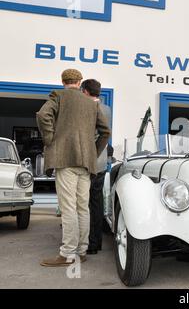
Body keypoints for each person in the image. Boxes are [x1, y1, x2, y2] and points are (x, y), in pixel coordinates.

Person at [37, 69, 111, 267]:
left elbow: (43, 115)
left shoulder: (58, 96)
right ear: (79, 82)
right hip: (86, 163)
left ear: (63, 81)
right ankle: (81, 250)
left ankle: (68, 253)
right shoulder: (92, 104)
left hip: (66, 161)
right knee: (82, 207)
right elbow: (105, 132)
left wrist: (50, 140)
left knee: (68, 207)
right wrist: (93, 153)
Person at [81, 79, 112, 255]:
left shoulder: (86, 108)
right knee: (96, 202)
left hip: (88, 161)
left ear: (85, 91)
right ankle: (96, 242)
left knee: (83, 203)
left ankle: (86, 242)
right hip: (101, 162)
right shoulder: (106, 109)